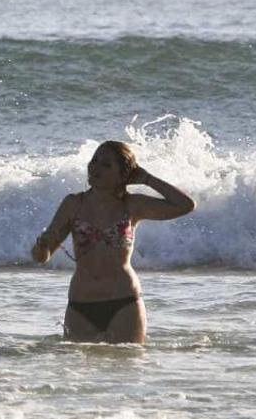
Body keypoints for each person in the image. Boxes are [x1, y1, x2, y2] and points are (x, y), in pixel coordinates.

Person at [30, 140, 195, 344]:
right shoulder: (73, 204)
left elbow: (185, 205)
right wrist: (41, 245)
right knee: (75, 372)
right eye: (95, 160)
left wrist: (146, 179)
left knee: (127, 370)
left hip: (124, 303)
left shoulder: (132, 205)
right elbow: (42, 257)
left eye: (106, 164)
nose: (95, 167)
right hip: (81, 304)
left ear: (123, 175)